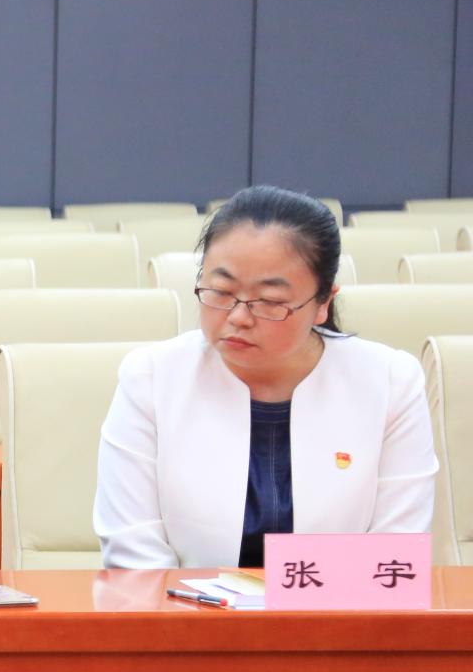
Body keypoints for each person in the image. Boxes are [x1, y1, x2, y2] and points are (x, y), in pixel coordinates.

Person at [94, 185, 437, 568]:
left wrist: (298, 604)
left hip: (340, 606)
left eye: (271, 302)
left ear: (323, 302)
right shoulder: (152, 377)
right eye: (221, 291)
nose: (239, 316)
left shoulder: (389, 381)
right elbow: (133, 551)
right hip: (185, 603)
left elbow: (395, 554)